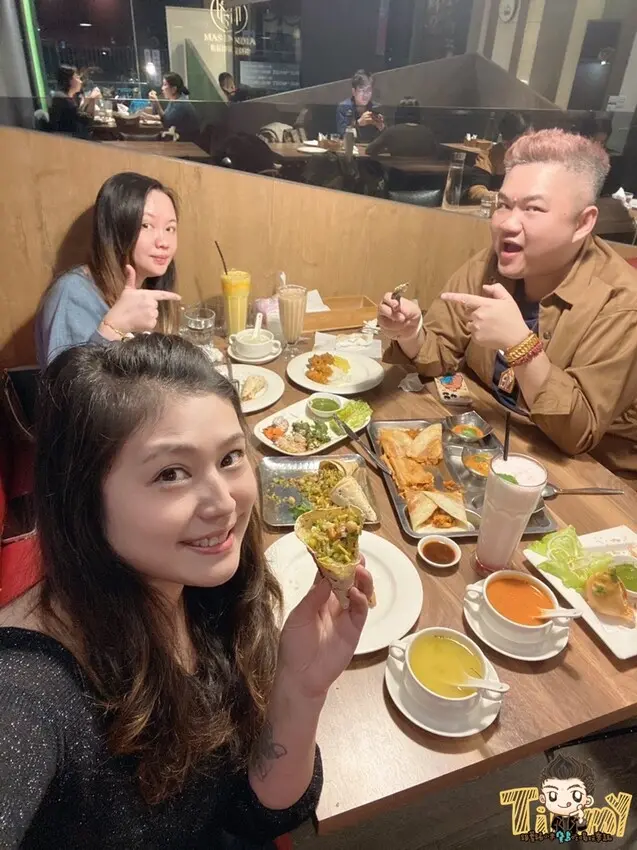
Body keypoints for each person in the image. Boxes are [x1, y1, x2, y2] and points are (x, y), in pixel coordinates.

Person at [0, 333, 374, 846]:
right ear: (81, 499)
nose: (223, 503)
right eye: (171, 473)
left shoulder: (211, 588)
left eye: (230, 458)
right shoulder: (32, 688)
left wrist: (300, 688)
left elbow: (258, 815)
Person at [378, 129, 637, 479]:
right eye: (503, 205)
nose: (507, 224)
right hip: (491, 437)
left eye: (533, 209)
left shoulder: (623, 303)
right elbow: (441, 355)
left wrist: (520, 345)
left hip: (591, 475)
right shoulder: (493, 263)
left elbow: (578, 433)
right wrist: (411, 333)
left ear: (583, 223)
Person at [35, 172, 182, 368]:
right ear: (116, 230)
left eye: (170, 228)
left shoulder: (153, 285)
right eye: (146, 225)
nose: (163, 242)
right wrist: (113, 328)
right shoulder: (72, 292)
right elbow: (64, 384)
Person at [465, 112, 527, 204]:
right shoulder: (490, 155)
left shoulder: (537, 156)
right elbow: (475, 191)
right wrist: (502, 198)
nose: (510, 147)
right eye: (506, 143)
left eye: (515, 141)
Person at [538, 754, 595, 841]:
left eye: (576, 795)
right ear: (543, 799)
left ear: (588, 800)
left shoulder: (576, 818)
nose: (563, 802)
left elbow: (581, 828)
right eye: (552, 796)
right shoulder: (557, 820)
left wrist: (580, 818)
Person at [366, 97, 438, 159]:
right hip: (423, 171)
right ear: (418, 113)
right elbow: (438, 152)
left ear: (399, 113)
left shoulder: (392, 131)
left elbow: (369, 150)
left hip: (396, 171)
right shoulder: (428, 133)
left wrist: (387, 148)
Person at [49, 64, 101, 138]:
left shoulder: (61, 98)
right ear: (69, 80)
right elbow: (87, 121)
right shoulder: (64, 101)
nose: (81, 82)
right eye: (77, 77)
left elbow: (79, 116)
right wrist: (91, 99)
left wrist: (89, 100)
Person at [336, 69, 384, 143]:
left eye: (369, 90)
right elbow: (342, 134)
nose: (366, 94)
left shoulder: (377, 108)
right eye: (362, 90)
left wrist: (381, 127)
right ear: (354, 92)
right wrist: (358, 123)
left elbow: (387, 137)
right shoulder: (344, 107)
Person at [149, 72, 200, 141]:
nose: (162, 88)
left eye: (165, 85)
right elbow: (165, 116)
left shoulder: (180, 104)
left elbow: (166, 123)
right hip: (178, 138)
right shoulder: (174, 100)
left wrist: (156, 102)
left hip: (187, 142)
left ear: (173, 89)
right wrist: (146, 116)